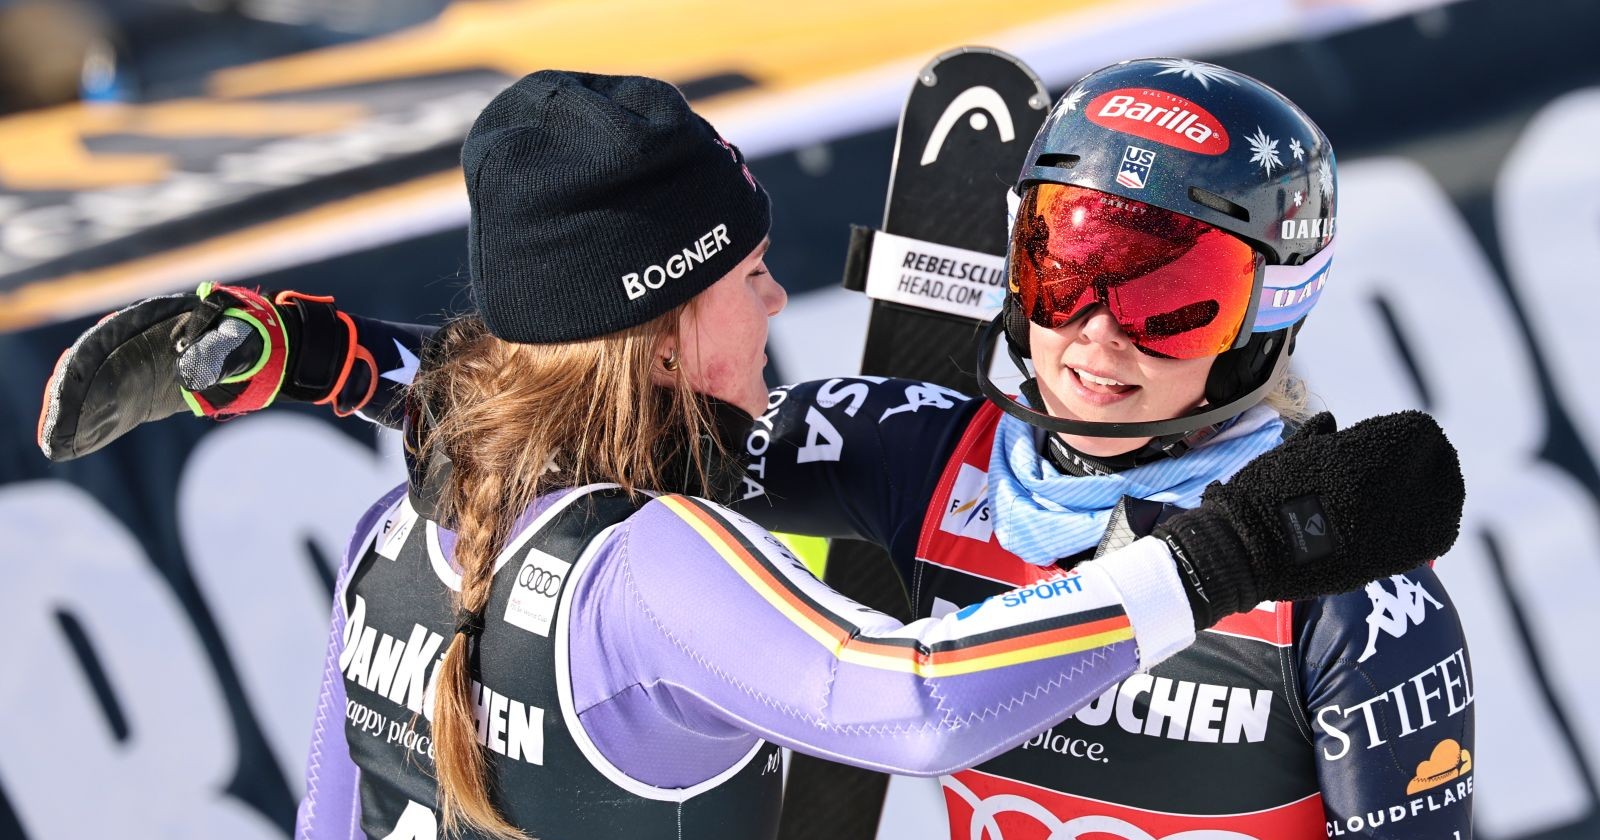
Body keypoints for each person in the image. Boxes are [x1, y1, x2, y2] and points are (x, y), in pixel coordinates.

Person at [37, 64, 1469, 840]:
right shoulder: (915, 450)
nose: (1093, 332)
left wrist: (320, 359)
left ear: (1270, 307)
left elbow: (551, 419)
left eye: (1165, 294)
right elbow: (595, 436)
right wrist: (335, 357)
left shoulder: (1350, 587)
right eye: (1061, 267)